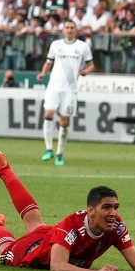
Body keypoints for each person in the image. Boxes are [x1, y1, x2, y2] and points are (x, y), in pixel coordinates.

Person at [0, 151, 135, 271]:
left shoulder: (116, 226)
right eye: (106, 207)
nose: (113, 213)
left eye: (115, 207)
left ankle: (4, 168)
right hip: (33, 253)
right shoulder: (72, 226)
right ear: (91, 211)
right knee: (5, 250)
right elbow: (57, 266)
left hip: (52, 238)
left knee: (35, 224)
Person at [36, 20, 94, 165]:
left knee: (64, 121)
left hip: (70, 89)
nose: (69, 30)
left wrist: (85, 71)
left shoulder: (83, 47)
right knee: (48, 114)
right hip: (54, 86)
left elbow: (92, 65)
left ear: (76, 30)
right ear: (63, 30)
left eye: (72, 28)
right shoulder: (56, 45)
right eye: (67, 28)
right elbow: (49, 61)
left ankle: (59, 153)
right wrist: (43, 73)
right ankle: (48, 149)